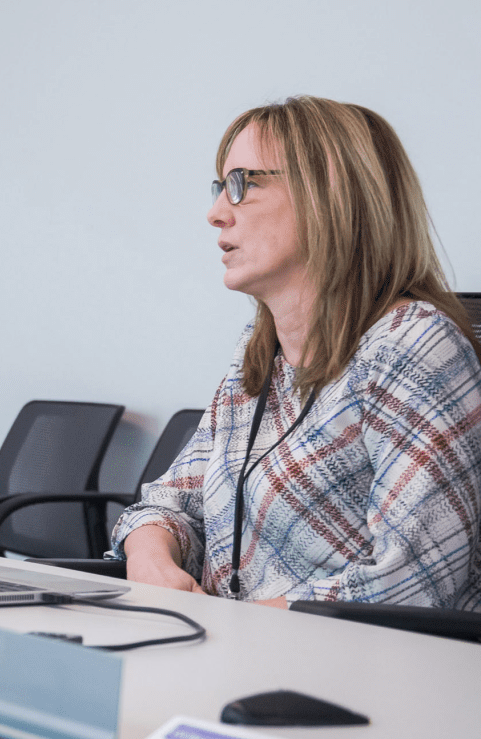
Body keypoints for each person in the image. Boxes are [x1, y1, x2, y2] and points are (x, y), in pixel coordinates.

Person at [112, 96, 481, 609]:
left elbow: (412, 582)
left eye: (244, 183)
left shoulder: (413, 346)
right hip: (240, 654)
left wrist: (236, 626)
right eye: (220, 188)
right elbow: (174, 501)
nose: (216, 213)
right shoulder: (259, 357)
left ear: (332, 196)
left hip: (357, 675)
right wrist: (149, 556)